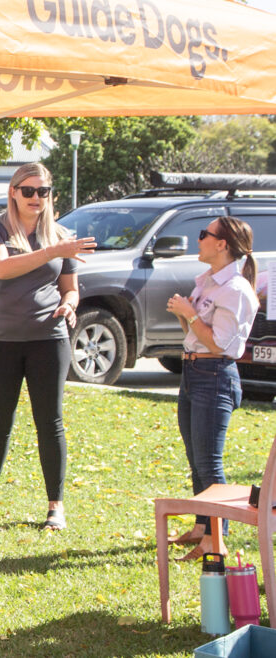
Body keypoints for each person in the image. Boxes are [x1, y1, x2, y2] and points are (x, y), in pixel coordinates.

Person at [0, 163, 95, 531]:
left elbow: (70, 286)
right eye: (29, 191)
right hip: (1, 341)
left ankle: (55, 507)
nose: (36, 198)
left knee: (50, 423)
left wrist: (70, 303)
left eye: (43, 192)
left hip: (48, 340)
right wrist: (53, 251)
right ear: (13, 192)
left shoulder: (61, 236)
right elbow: (0, 269)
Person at [164, 216, 259, 561]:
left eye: (205, 234)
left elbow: (219, 345)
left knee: (209, 462)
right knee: (196, 459)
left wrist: (190, 315)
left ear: (223, 244)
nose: (199, 238)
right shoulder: (208, 281)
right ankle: (203, 527)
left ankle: (215, 542)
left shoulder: (235, 290)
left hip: (214, 374)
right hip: (193, 371)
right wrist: (184, 312)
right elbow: (196, 331)